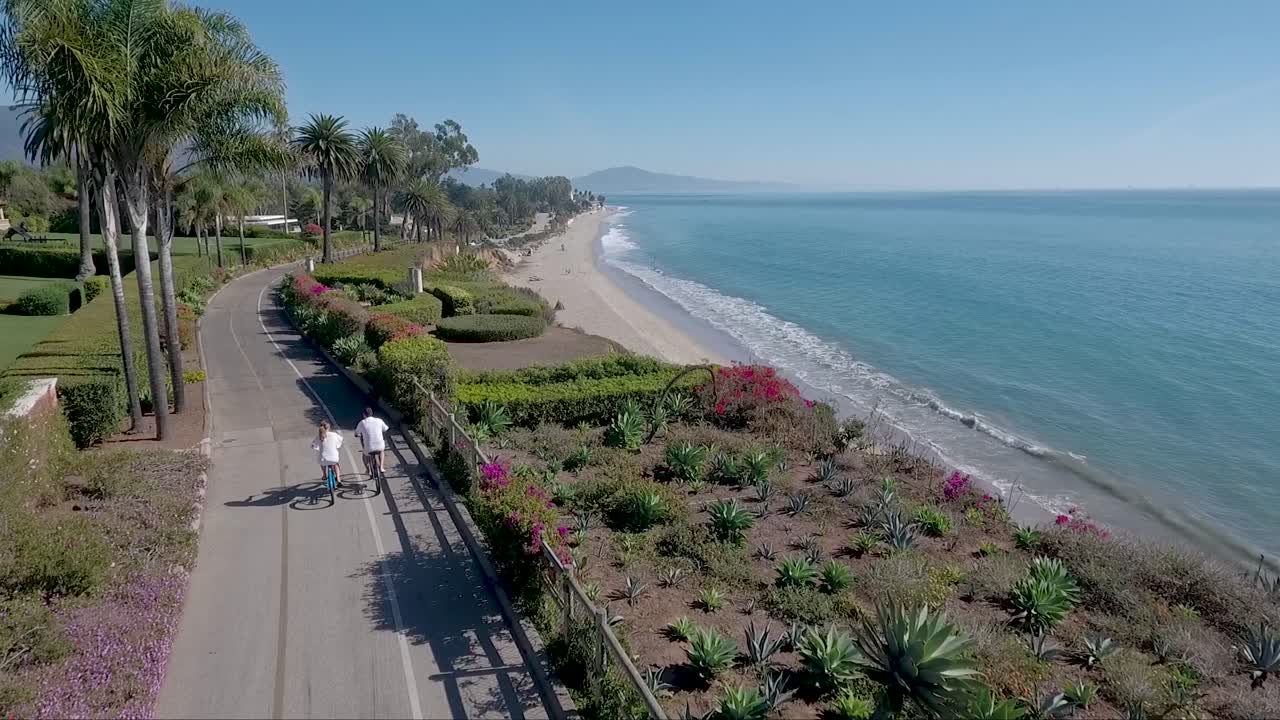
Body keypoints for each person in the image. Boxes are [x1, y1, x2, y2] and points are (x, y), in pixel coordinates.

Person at [354, 407, 390, 477]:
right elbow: (386, 429)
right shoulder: (379, 420)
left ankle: (368, 470)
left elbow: (356, 433)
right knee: (381, 451)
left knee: (365, 456)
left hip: (369, 447)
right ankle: (381, 467)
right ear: (372, 413)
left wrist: (358, 435)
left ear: (364, 415)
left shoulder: (362, 423)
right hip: (379, 445)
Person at [311, 420, 343, 486]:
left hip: (323, 459)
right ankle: (339, 480)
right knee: (336, 464)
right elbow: (340, 440)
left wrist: (316, 447)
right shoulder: (334, 435)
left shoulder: (319, 437)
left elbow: (313, 445)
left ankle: (324, 475)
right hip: (333, 458)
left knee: (322, 463)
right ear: (329, 427)